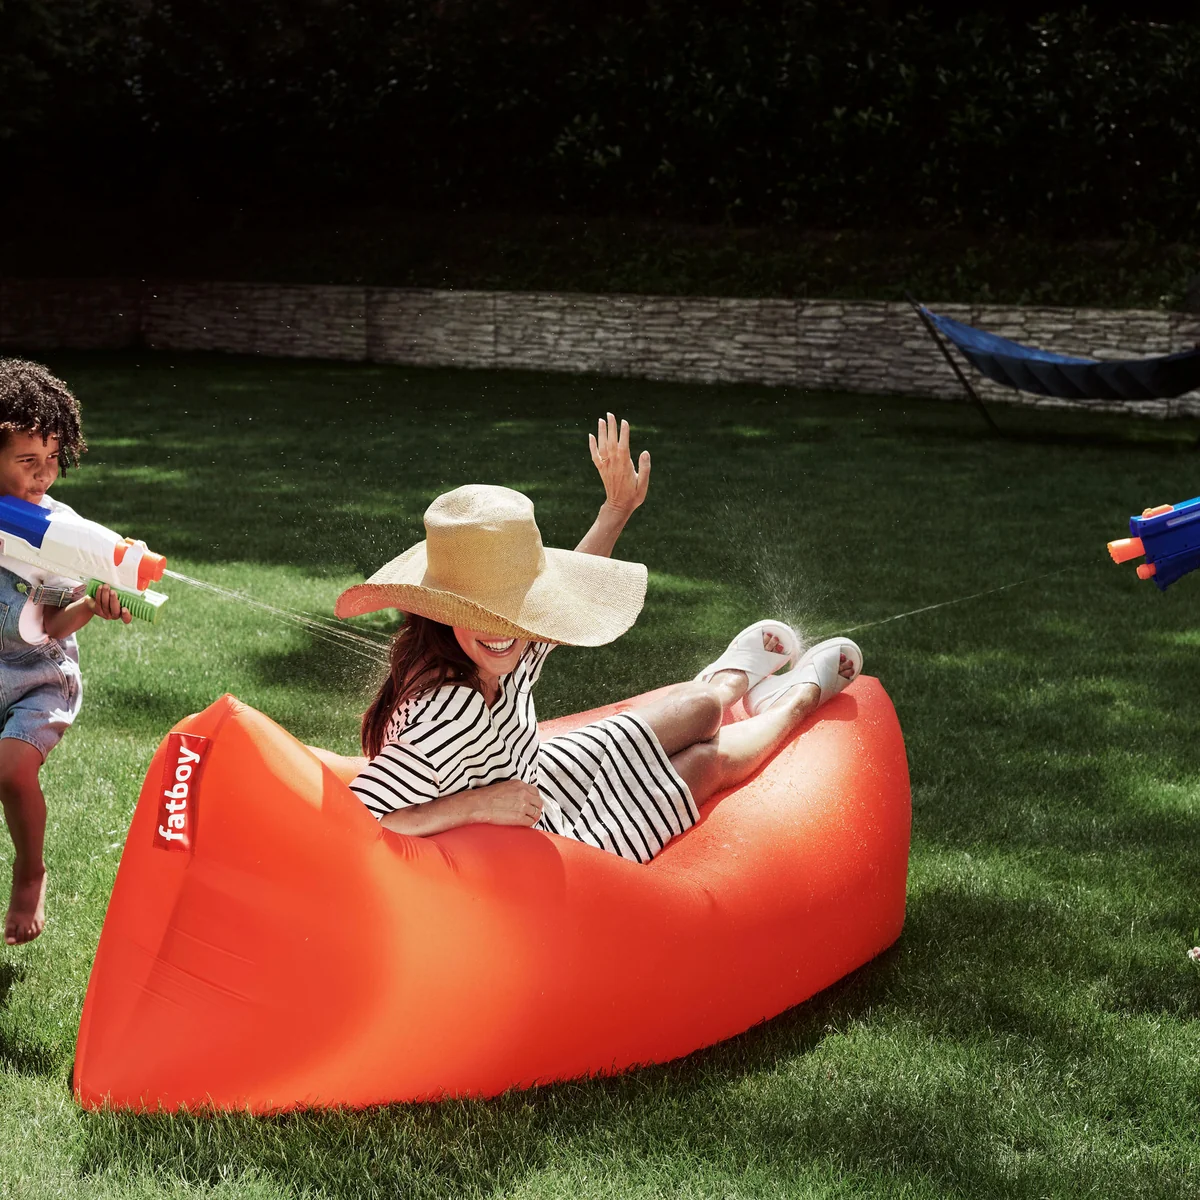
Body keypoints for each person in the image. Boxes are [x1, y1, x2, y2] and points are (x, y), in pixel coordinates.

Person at [324, 413, 861, 863]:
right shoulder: (447, 712)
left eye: (514, 606)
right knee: (703, 764)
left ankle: (727, 685)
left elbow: (572, 592)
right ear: (446, 614)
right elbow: (357, 820)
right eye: (481, 610)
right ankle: (798, 699)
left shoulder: (496, 643)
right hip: (549, 842)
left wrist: (616, 509)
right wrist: (476, 806)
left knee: (701, 708)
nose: (501, 627)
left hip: (540, 776)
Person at [0, 359, 131, 945]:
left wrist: (93, 604)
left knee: (11, 773)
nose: (44, 474)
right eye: (28, 460)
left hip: (37, 673)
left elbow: (52, 622)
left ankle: (30, 870)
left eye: (53, 458)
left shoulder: (58, 533)